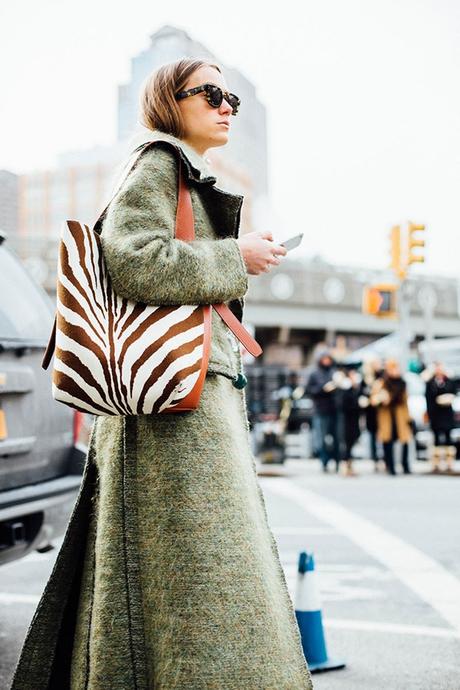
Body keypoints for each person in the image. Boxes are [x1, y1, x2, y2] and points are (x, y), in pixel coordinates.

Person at [11, 59, 313, 690]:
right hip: (173, 406)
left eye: (230, 95)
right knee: (194, 569)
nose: (226, 105)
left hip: (182, 397)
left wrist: (236, 254)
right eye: (210, 93)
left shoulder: (174, 169)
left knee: (182, 569)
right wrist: (235, 254)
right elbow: (134, 258)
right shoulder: (157, 162)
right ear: (168, 101)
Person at [370, 358, 413, 475]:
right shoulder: (381, 383)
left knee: (404, 440)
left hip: (400, 415)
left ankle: (405, 465)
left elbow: (405, 401)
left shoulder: (402, 383)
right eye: (392, 368)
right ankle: (390, 465)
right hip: (386, 416)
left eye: (396, 368)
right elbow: (373, 400)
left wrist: (409, 417)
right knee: (387, 441)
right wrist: (382, 398)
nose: (395, 370)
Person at [306, 348, 342, 471]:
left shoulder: (334, 372)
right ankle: (324, 461)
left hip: (334, 409)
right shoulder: (314, 373)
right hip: (320, 410)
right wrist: (323, 389)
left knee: (336, 437)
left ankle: (337, 461)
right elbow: (309, 390)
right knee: (321, 439)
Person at [424, 362, 457, 471]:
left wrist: (447, 398)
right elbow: (428, 399)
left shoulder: (449, 381)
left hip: (447, 414)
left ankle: (449, 463)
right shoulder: (430, 383)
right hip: (436, 414)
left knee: (448, 438)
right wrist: (429, 413)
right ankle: (436, 463)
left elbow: (453, 392)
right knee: (437, 439)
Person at [360, 358, 384, 471]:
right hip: (370, 412)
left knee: (383, 435)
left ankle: (383, 459)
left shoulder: (381, 377)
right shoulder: (365, 380)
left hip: (381, 411)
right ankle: (375, 459)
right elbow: (361, 393)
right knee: (373, 436)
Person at [341, 368, 364, 476]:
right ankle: (345, 466)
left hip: (355, 418)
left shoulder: (356, 388)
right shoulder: (346, 388)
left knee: (353, 440)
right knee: (347, 442)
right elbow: (344, 404)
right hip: (347, 419)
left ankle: (349, 465)